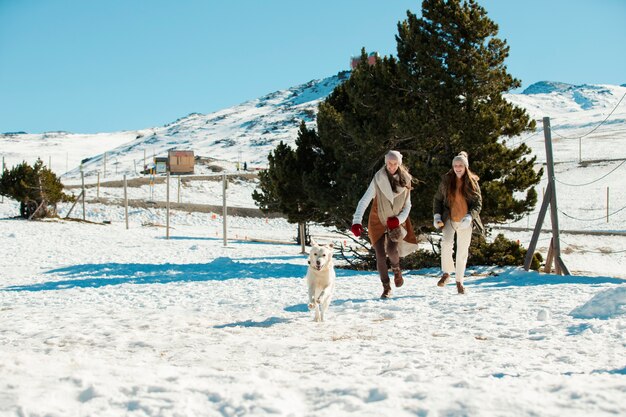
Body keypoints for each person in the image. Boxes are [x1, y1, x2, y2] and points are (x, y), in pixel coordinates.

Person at [351, 150, 419, 299]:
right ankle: (386, 287)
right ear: (385, 162)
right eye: (389, 163)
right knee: (380, 254)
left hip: (395, 221)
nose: (392, 166)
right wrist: (356, 221)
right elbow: (364, 200)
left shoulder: (406, 180)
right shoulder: (378, 178)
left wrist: (398, 220)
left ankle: (396, 269)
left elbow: (408, 206)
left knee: (392, 250)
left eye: (395, 164)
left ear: (399, 164)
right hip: (378, 220)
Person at [432, 151, 484, 294]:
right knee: (446, 243)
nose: (458, 168)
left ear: (466, 167)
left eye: (460, 165)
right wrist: (437, 216)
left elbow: (478, 204)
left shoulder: (472, 182)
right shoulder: (447, 181)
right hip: (449, 218)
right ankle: (447, 273)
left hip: (465, 221)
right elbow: (437, 199)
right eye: (455, 165)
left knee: (462, 252)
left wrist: (469, 217)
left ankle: (459, 282)